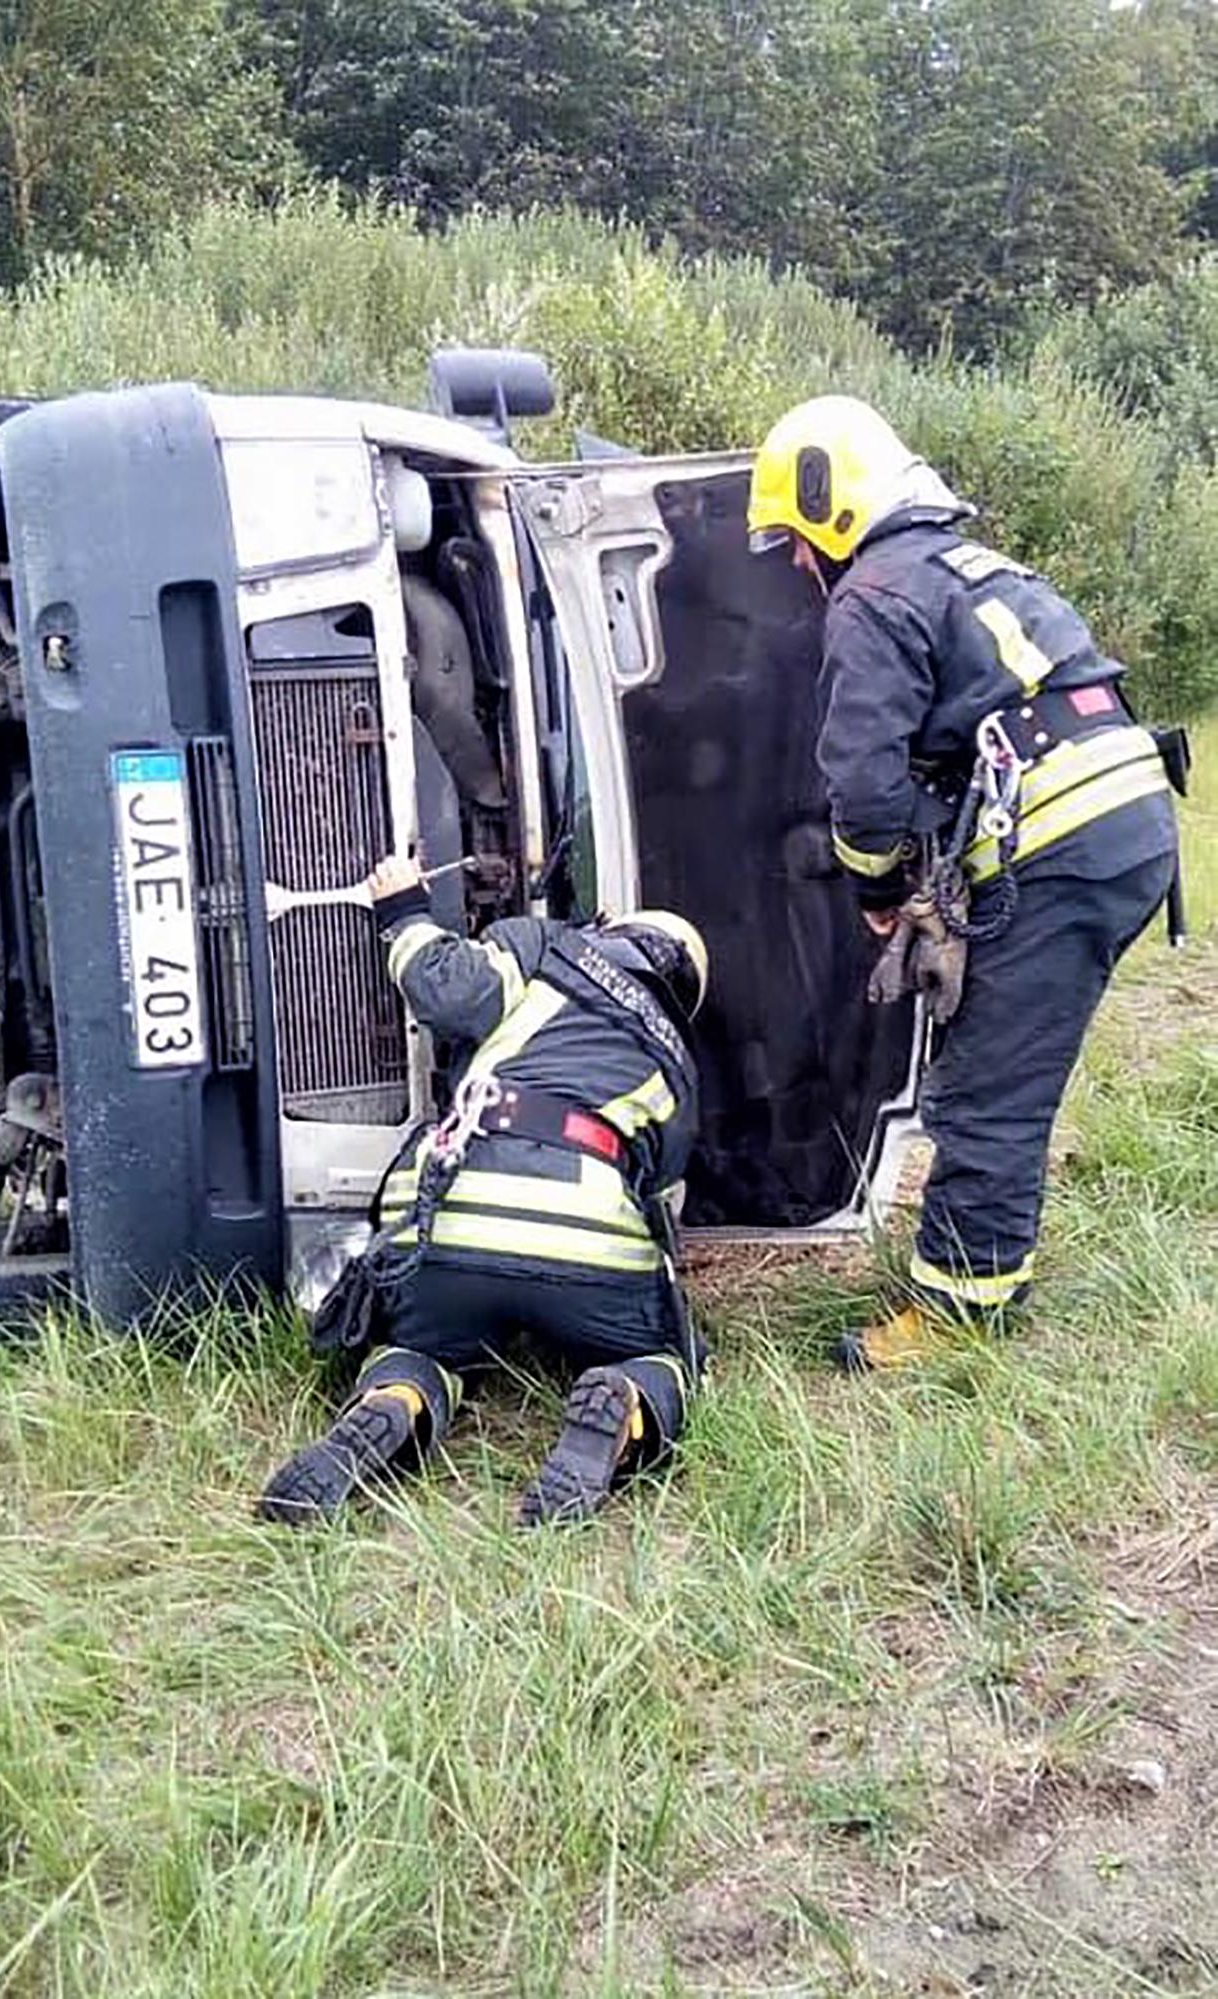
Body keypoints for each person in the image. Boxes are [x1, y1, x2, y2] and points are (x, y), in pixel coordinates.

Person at [747, 395, 1179, 1371]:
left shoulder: (873, 593)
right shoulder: (962, 567)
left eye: (796, 545)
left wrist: (883, 888)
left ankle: (961, 1315)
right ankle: (983, 1256)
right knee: (1003, 1063)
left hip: (1068, 845)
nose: (801, 569)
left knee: (990, 1087)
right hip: (1116, 825)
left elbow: (860, 787)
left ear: (831, 506)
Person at [258, 855, 708, 1525]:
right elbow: (660, 1203)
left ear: (612, 926)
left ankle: (394, 1401)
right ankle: (625, 1393)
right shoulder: (676, 1062)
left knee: (421, 1348)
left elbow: (452, 995)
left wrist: (404, 912)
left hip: (447, 1227)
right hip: (589, 1249)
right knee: (661, 1355)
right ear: (679, 993)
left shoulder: (545, 944)